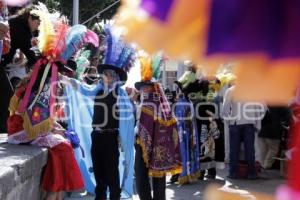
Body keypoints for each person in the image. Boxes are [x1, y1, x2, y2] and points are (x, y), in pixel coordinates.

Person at [134, 53, 182, 200]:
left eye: (146, 87)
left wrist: (143, 141)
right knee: (158, 177)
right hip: (161, 148)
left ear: (153, 88)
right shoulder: (159, 104)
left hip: (145, 145)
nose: (143, 90)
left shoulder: (148, 105)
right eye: (142, 87)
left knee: (141, 176)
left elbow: (144, 128)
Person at [222, 85, 264, 179]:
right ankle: (252, 173)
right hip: (249, 122)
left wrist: (229, 121)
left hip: (235, 122)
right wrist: (256, 122)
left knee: (234, 149)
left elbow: (225, 108)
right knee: (250, 150)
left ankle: (232, 172)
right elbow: (261, 108)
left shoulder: (230, 90)